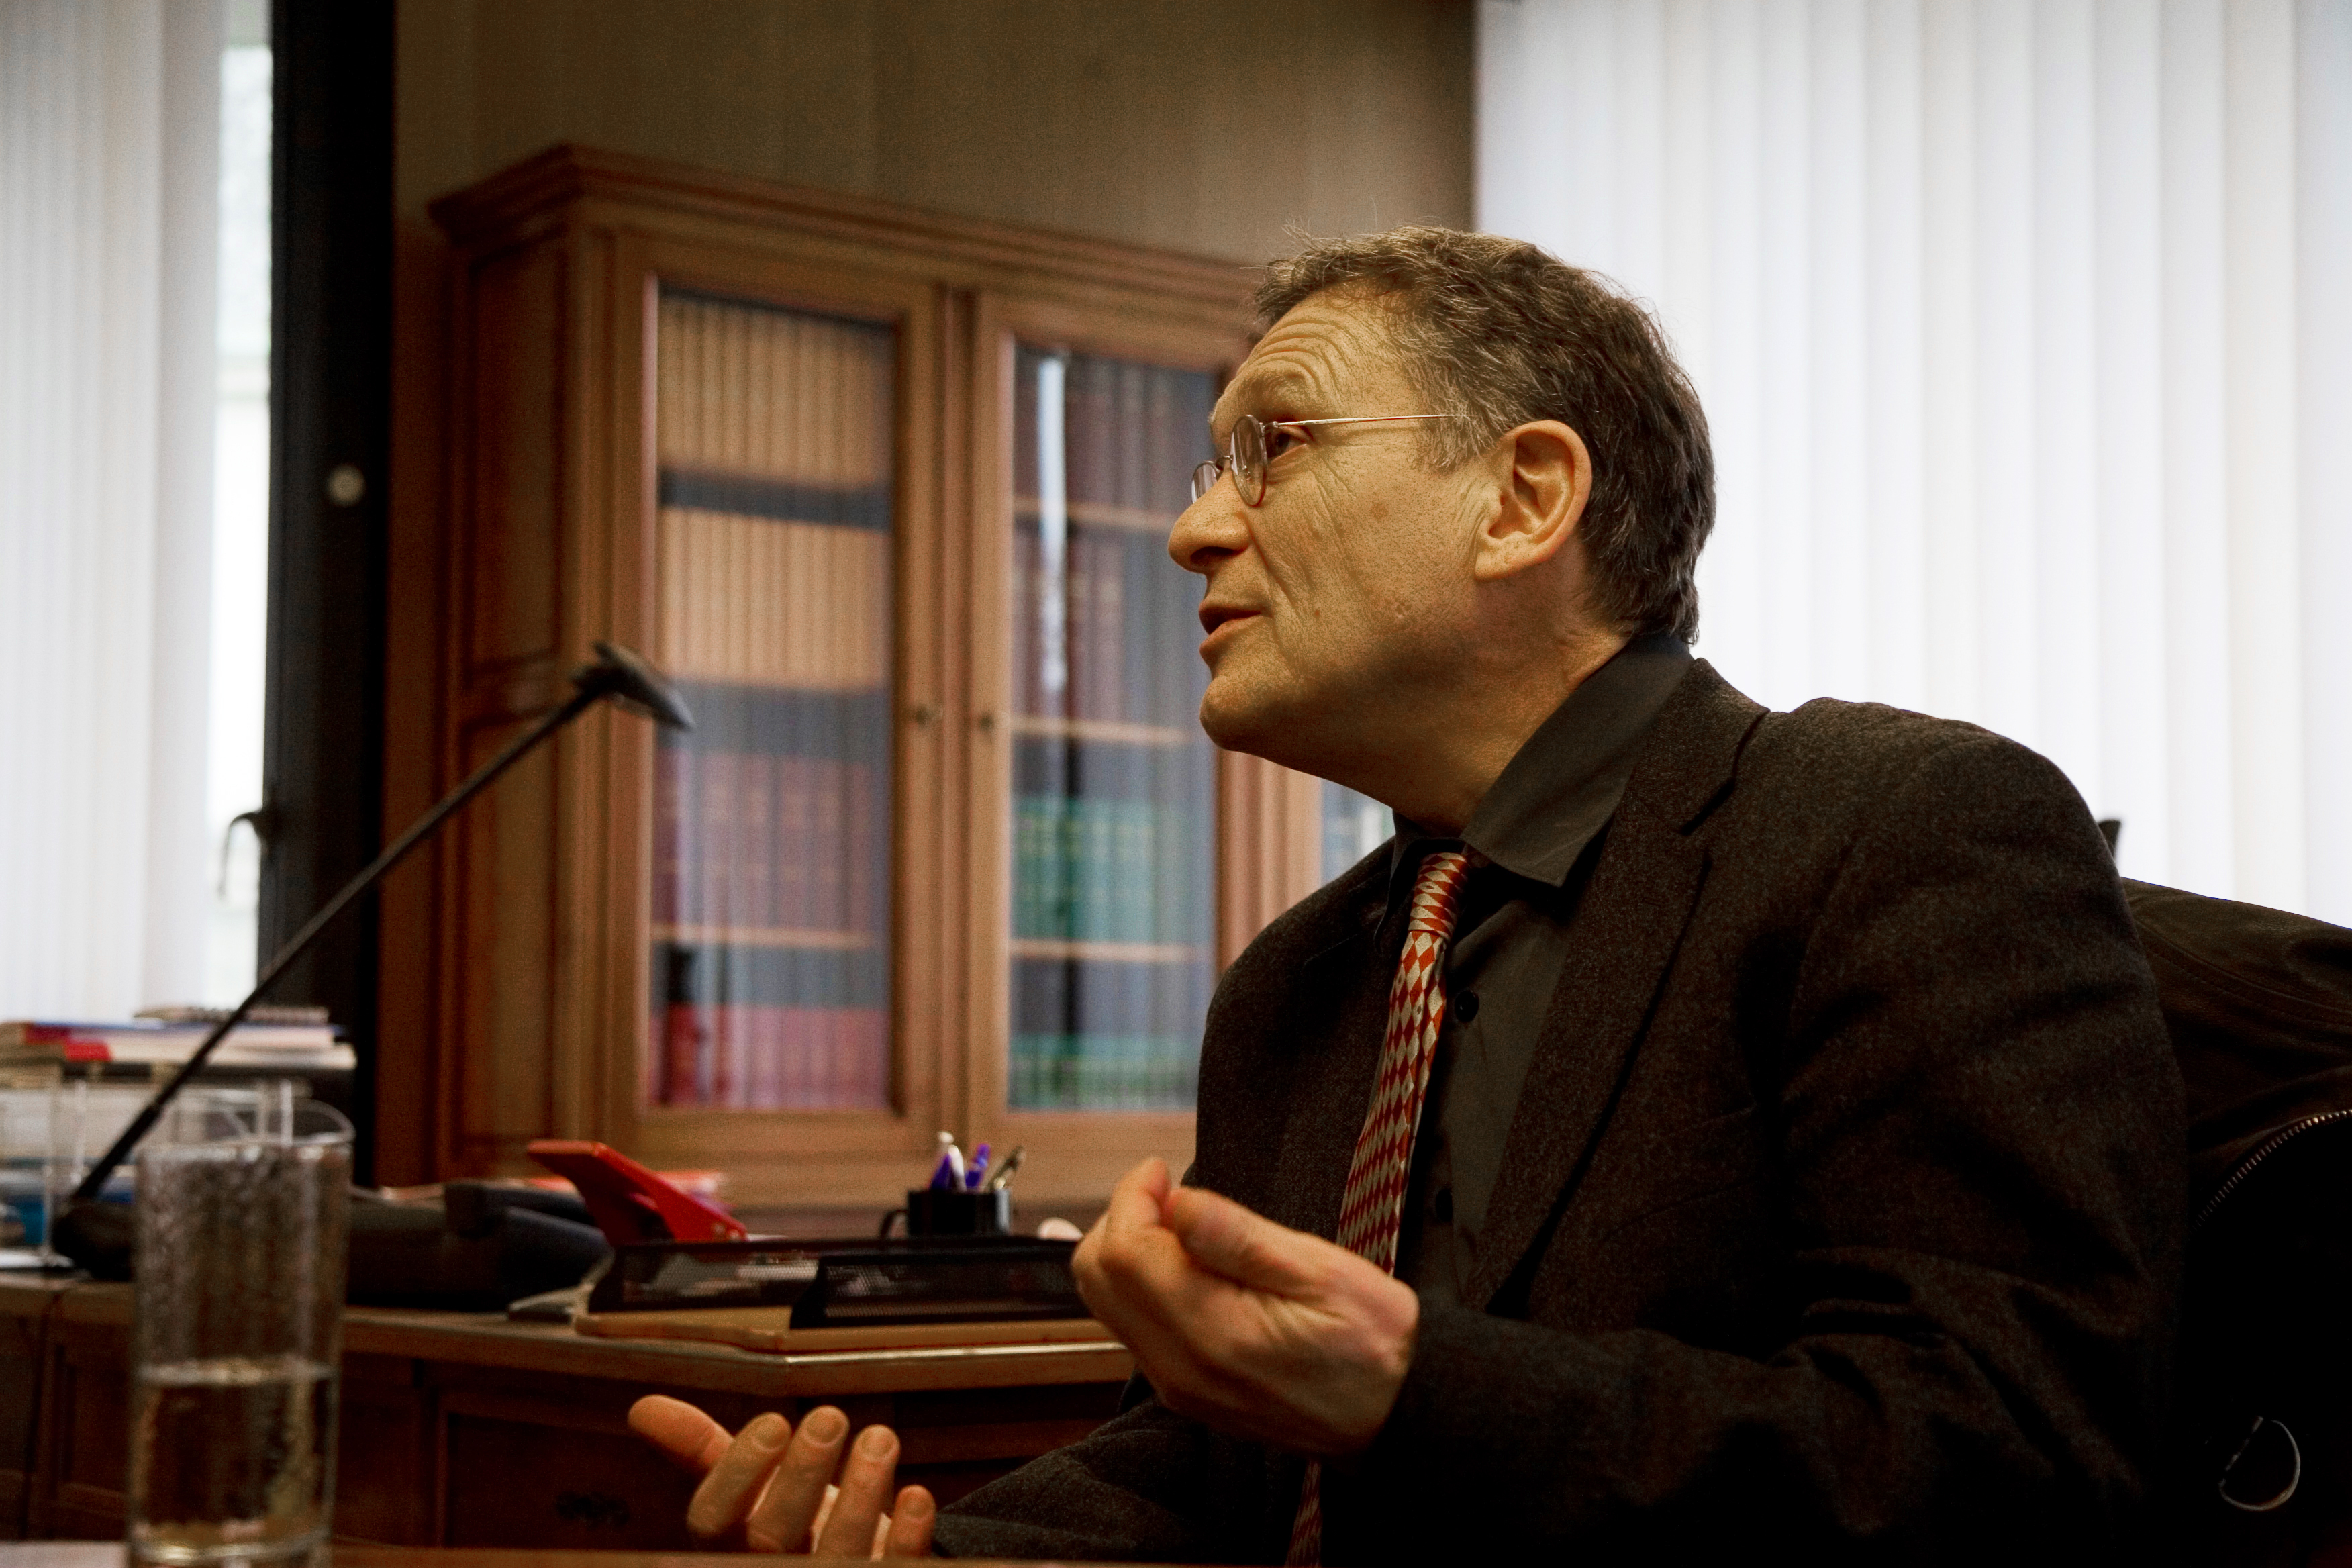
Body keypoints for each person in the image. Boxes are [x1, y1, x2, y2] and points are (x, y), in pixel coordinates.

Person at [627, 227, 2183, 1563]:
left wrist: (1414, 1389)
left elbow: (2013, 1461)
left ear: (1522, 498)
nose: (1191, 529)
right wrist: (927, 1550)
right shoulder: (1294, 979)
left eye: (1275, 447)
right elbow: (1218, 1464)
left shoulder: (1900, 830)